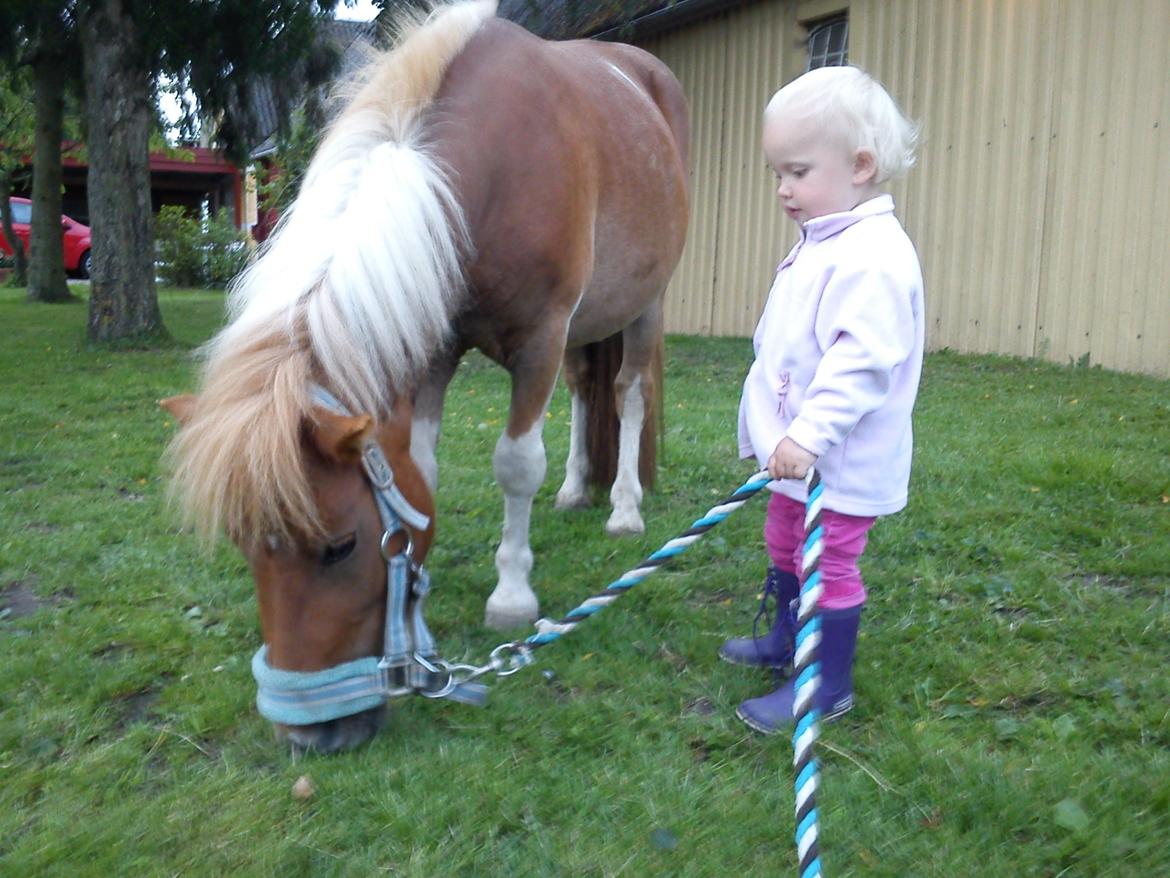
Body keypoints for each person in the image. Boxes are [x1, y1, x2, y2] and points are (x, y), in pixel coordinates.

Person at [722, 65, 924, 734]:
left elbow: (861, 366)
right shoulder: (825, 242)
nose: (783, 189)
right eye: (777, 172)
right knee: (785, 541)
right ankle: (787, 637)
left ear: (860, 164)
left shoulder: (872, 258)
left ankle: (825, 681)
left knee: (827, 559)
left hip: (836, 463)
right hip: (798, 461)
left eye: (798, 171)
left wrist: (807, 435)